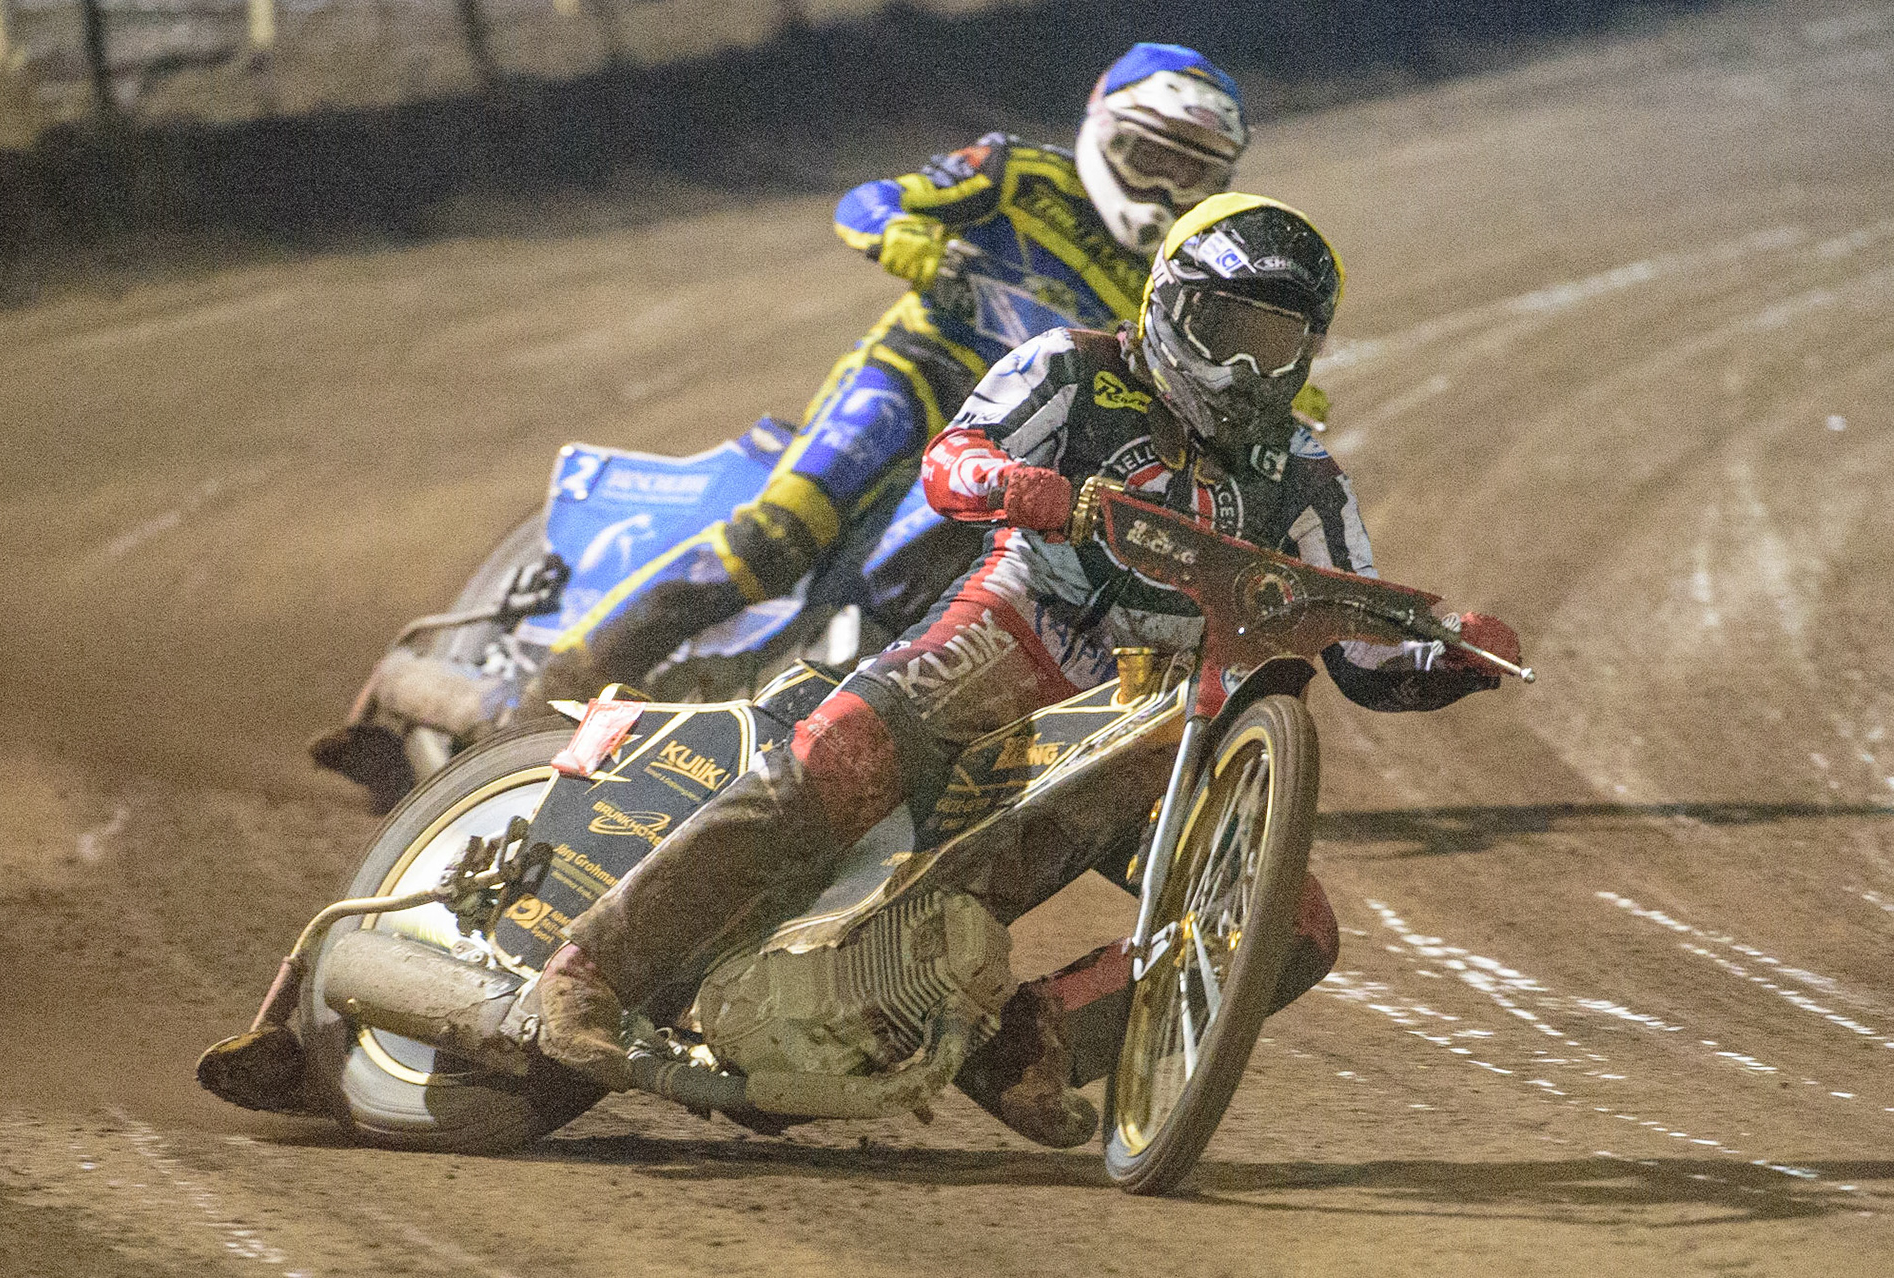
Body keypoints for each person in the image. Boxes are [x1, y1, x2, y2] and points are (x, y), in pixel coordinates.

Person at [530, 194, 1523, 1150]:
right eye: (1224, 328)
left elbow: (1362, 644)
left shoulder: (1306, 474)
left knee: (1295, 929)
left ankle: (1022, 1041)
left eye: (1273, 342)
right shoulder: (1075, 369)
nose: (1242, 366)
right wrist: (1014, 483)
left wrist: (1458, 652)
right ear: (1171, 305)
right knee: (840, 756)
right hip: (1012, 629)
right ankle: (591, 971)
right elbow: (950, 460)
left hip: (1148, 716)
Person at [527, 43, 1260, 704]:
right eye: (1151, 158)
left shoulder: (1175, 273)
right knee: (779, 535)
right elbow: (868, 200)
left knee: (982, 598)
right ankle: (550, 689)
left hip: (1020, 441)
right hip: (916, 376)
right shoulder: (1020, 175)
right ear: (1105, 134)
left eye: (1192, 173)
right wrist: (902, 232)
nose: (1167, 188)